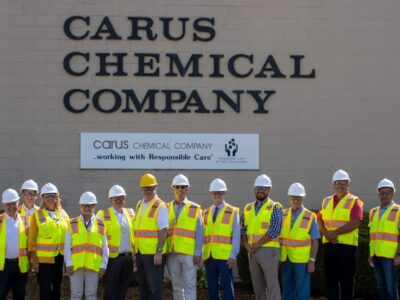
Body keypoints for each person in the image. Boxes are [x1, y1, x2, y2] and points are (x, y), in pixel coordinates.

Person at [317, 169, 364, 300]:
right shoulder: (326, 201)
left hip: (347, 247)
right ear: (333, 185)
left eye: (343, 182)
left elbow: (355, 223)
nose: (340, 185)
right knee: (330, 280)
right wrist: (327, 234)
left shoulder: (355, 201)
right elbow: (319, 219)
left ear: (348, 184)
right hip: (329, 246)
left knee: (347, 281)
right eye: (337, 182)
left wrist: (333, 234)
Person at [241, 174, 283, 300]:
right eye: (258, 188)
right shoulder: (248, 208)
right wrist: (246, 245)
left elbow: (275, 229)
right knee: (257, 285)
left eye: (264, 188)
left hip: (268, 250)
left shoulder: (275, 206)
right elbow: (243, 229)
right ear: (254, 189)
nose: (260, 190)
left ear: (269, 190)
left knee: (272, 285)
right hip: (252, 251)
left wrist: (257, 244)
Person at [64, 191, 109, 300]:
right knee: (75, 294)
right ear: (80, 206)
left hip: (93, 265)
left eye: (90, 205)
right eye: (85, 205)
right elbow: (67, 246)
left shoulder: (101, 224)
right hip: (76, 265)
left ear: (94, 206)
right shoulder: (72, 223)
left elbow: (105, 247)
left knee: (91, 294)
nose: (87, 208)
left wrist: (103, 264)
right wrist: (68, 263)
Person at [28, 183, 69, 300]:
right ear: (43, 199)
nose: (51, 199)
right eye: (47, 196)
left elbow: (69, 236)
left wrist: (68, 259)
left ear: (57, 198)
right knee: (45, 290)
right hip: (43, 260)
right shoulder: (37, 215)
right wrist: (34, 261)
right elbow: (31, 240)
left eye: (53, 196)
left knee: (57, 288)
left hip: (59, 258)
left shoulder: (63, 214)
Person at [280, 183, 320, 300]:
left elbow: (315, 241)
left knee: (302, 289)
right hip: (285, 258)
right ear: (289, 198)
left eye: (299, 198)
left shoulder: (310, 216)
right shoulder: (283, 213)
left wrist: (312, 261)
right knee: (287, 288)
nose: (296, 200)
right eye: (293, 198)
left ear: (303, 198)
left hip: (302, 260)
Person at [166, 174, 203, 300]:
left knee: (190, 286)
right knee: (176, 286)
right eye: (177, 187)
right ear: (173, 189)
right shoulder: (166, 208)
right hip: (172, 253)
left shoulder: (195, 208)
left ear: (187, 189)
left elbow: (199, 232)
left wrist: (198, 252)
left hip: (189, 254)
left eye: (183, 187)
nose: (180, 189)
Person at [133, 173, 168, 300]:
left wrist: (159, 252)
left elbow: (163, 230)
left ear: (155, 188)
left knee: (155, 288)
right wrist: (134, 251)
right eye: (145, 188)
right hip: (140, 253)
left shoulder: (160, 206)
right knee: (143, 287)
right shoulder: (139, 204)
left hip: (154, 255)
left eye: (151, 188)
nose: (148, 191)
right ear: (141, 189)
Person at [203, 178, 240, 300]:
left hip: (225, 257)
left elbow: (236, 234)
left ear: (225, 194)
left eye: (220, 193)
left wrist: (233, 255)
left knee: (227, 286)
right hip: (209, 256)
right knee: (212, 288)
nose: (217, 195)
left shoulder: (232, 211)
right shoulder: (206, 212)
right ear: (211, 194)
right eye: (215, 193)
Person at [96, 185, 135, 300]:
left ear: (125, 199)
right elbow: (97, 239)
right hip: (112, 259)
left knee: (123, 290)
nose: (118, 200)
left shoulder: (130, 213)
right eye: (115, 198)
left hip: (128, 259)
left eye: (121, 198)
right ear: (110, 200)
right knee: (111, 290)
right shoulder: (102, 214)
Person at [369, 178, 400, 300]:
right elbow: (373, 236)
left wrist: (399, 254)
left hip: (390, 257)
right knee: (381, 286)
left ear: (393, 193)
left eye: (388, 192)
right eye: (382, 193)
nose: (384, 195)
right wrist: (370, 254)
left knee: (391, 288)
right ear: (378, 194)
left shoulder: (398, 210)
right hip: (376, 256)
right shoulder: (373, 212)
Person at [0, 189, 29, 300]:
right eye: (8, 204)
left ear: (18, 202)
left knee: (20, 295)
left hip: (20, 265)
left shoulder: (25, 220)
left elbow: (29, 243)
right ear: (4, 204)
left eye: (14, 203)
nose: (11, 206)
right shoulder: (0, 220)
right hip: (3, 266)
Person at [19, 179, 40, 300]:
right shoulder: (15, 210)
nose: (29, 196)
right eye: (27, 193)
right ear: (22, 195)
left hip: (35, 253)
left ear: (36, 196)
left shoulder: (40, 212)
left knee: (34, 283)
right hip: (19, 253)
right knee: (20, 284)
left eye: (32, 193)